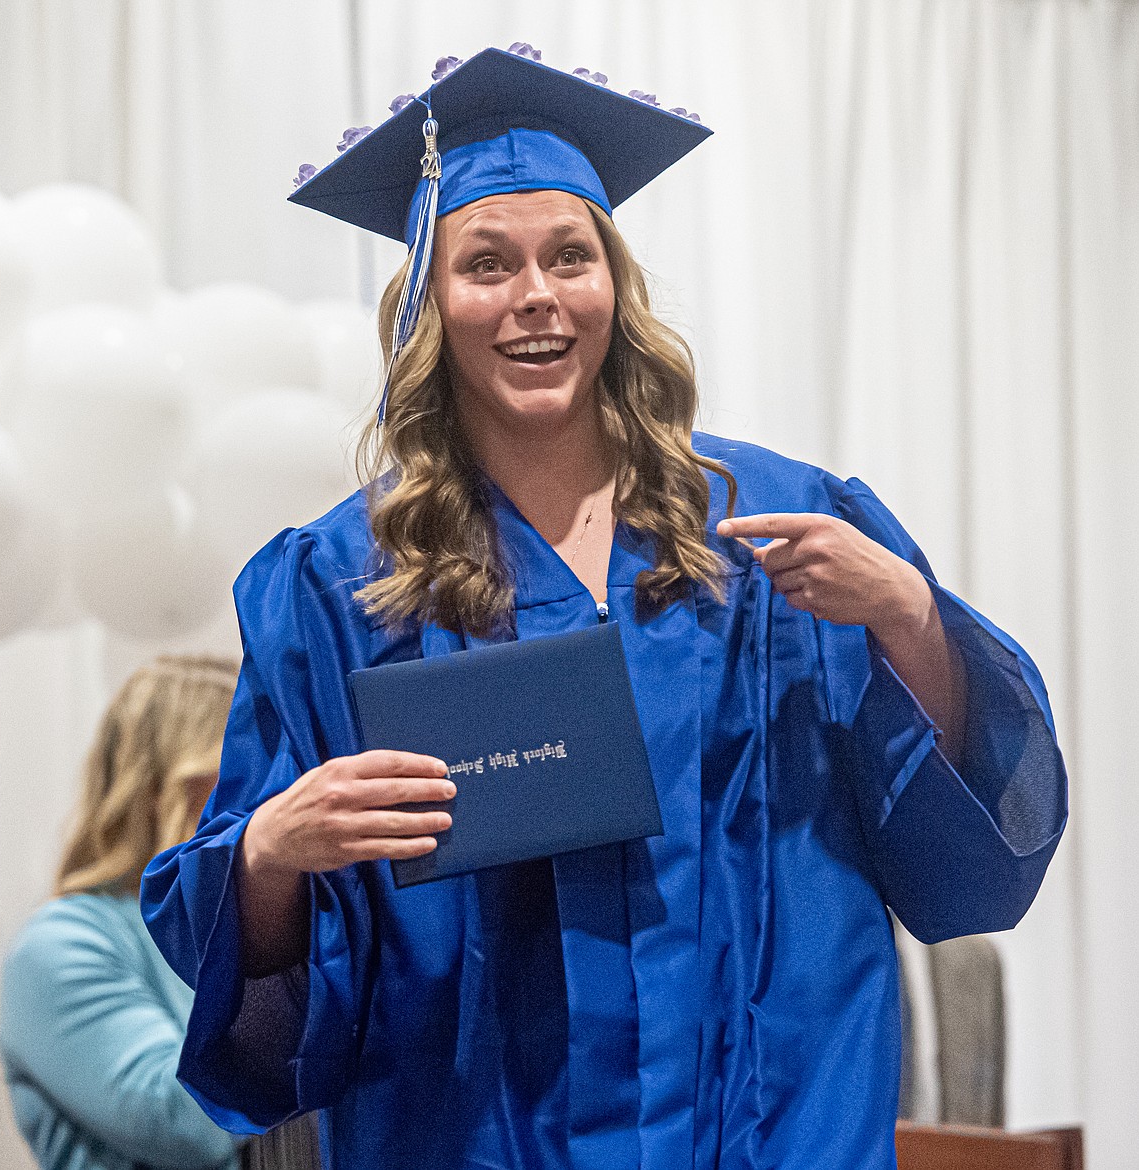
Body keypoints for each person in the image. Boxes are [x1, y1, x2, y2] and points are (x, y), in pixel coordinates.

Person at [141, 46, 1067, 1170]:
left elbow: (961, 844)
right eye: (487, 263)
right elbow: (262, 968)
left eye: (570, 257)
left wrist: (911, 618)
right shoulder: (342, 580)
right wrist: (271, 855)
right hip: (473, 1127)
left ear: (615, 287)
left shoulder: (775, 520)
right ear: (428, 304)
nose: (537, 296)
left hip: (777, 1121)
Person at [0, 656, 243, 1170]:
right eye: (237, 770)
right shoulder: (61, 945)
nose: (265, 795)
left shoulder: (228, 919)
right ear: (158, 789)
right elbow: (188, 1124)